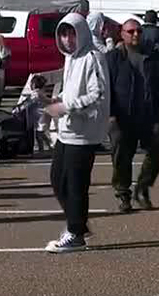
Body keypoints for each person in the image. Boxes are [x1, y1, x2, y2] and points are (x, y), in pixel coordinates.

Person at [41, 13, 109, 253]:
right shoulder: (71, 58)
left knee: (74, 184)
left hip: (84, 133)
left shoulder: (93, 57)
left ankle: (75, 234)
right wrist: (55, 100)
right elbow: (72, 91)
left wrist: (66, 106)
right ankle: (78, 223)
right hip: (67, 131)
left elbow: (98, 94)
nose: (67, 39)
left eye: (71, 33)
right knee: (58, 180)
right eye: (63, 33)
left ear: (81, 32)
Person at [107, 18, 159, 214]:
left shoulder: (154, 56)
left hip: (150, 114)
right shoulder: (113, 58)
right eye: (131, 31)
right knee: (121, 155)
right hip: (121, 116)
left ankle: (142, 189)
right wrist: (110, 114)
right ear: (122, 33)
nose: (135, 34)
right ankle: (123, 194)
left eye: (138, 31)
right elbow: (106, 86)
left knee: (157, 150)